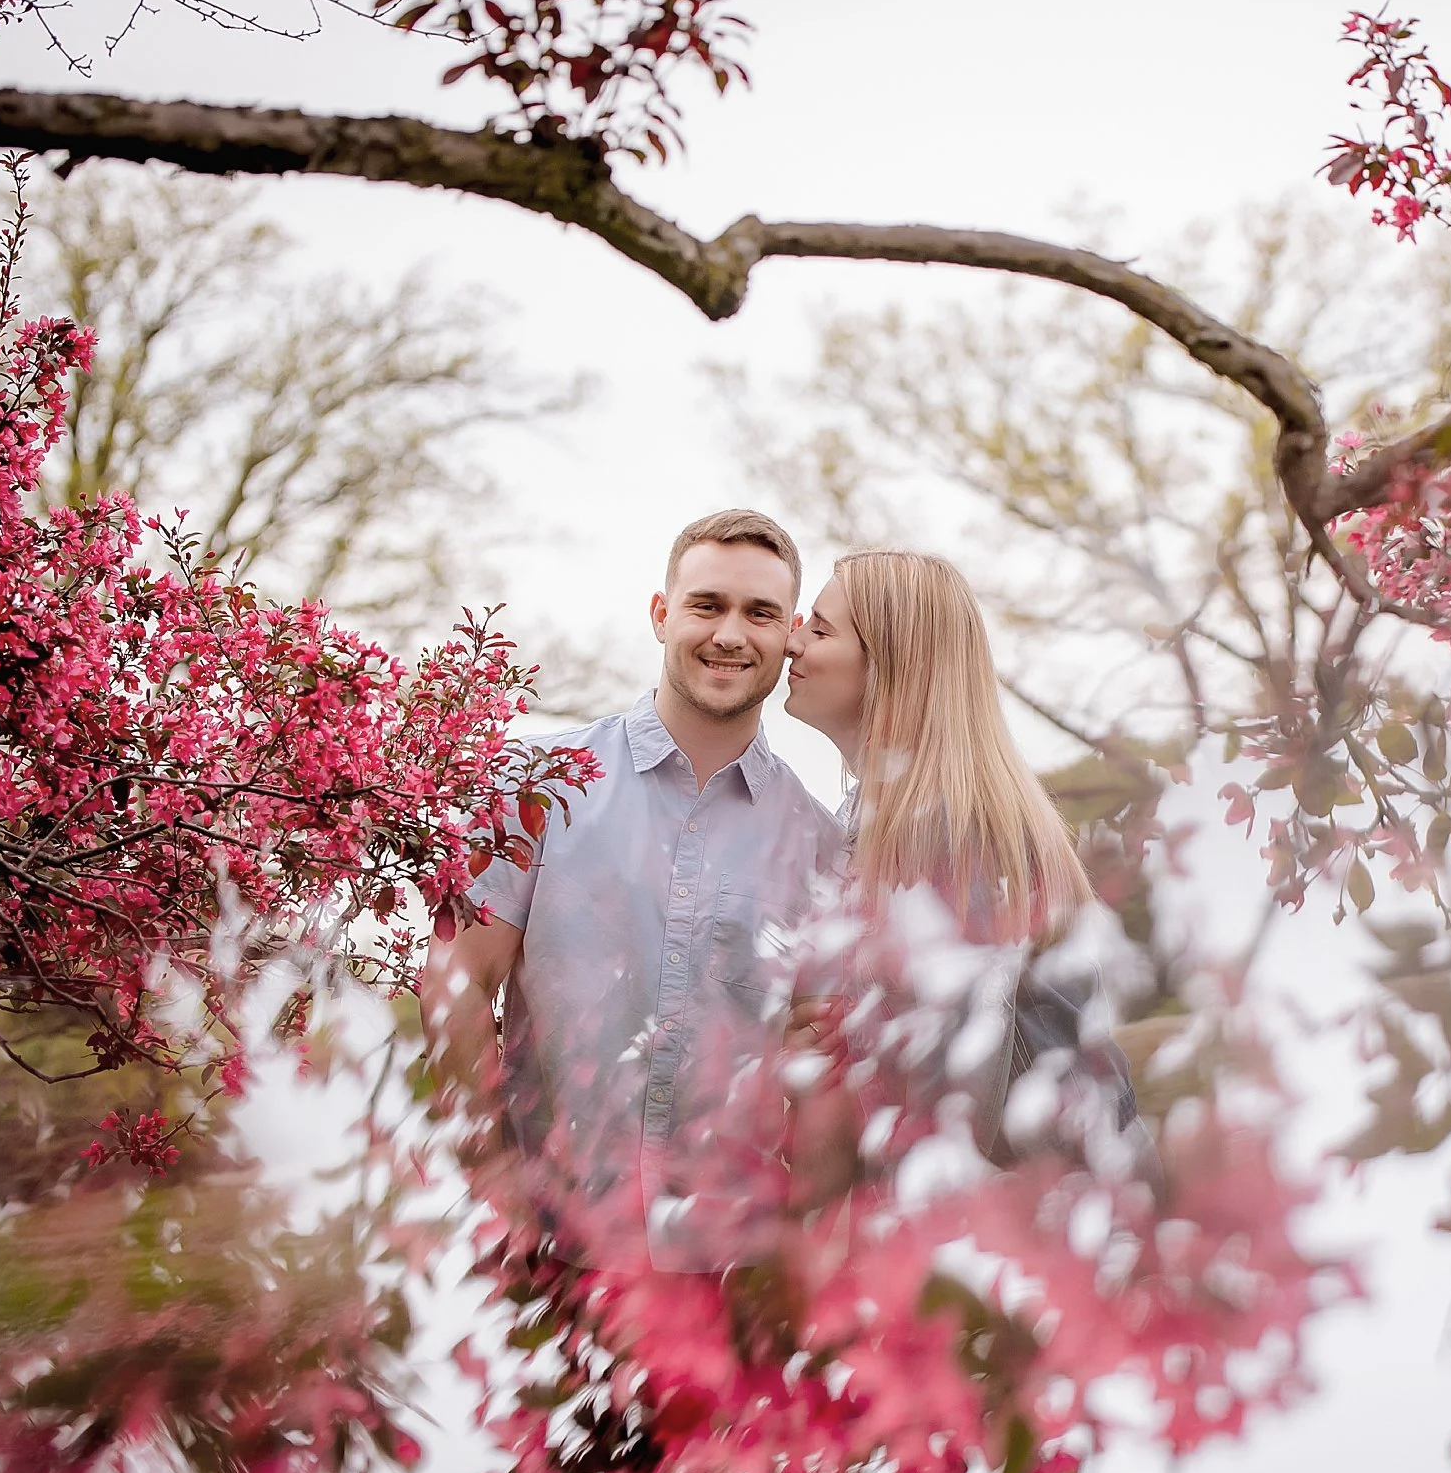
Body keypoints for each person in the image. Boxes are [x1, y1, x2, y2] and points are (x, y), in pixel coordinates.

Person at [418, 508, 845, 1270]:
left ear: (791, 631)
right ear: (660, 614)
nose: (730, 634)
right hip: (552, 1241)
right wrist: (487, 1169)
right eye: (707, 605)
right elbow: (455, 980)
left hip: (731, 1261)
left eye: (761, 613)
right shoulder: (533, 782)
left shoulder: (817, 840)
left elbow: (812, 1044)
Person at [782, 550, 1153, 1174]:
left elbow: (958, 1093)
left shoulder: (948, 833)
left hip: (1039, 1218)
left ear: (891, 668)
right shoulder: (881, 820)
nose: (792, 642)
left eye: (819, 629)